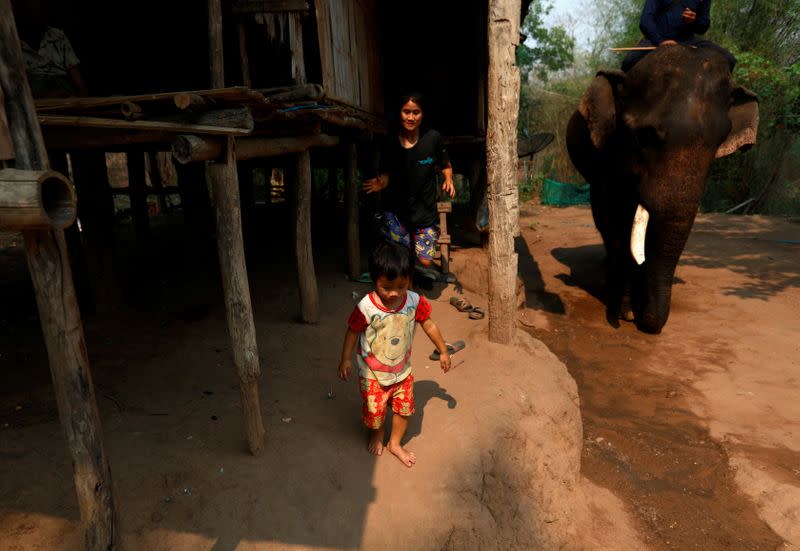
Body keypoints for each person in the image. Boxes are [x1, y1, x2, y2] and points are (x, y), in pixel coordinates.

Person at [337, 241, 452, 468]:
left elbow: (428, 324)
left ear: (409, 279)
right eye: (386, 287)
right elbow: (353, 332)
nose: (394, 293)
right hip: (373, 375)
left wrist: (444, 350)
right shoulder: (366, 307)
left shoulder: (413, 301)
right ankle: (378, 434)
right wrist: (346, 359)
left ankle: (395, 443)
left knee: (405, 410)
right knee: (376, 413)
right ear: (374, 280)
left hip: (402, 371)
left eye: (401, 286)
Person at [363, 93, 455, 272]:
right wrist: (381, 183)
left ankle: (413, 264)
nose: (411, 117)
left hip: (425, 213)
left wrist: (449, 179)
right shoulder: (390, 141)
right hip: (397, 212)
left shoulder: (432, 138)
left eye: (416, 112)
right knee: (400, 259)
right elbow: (387, 174)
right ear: (399, 113)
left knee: (426, 261)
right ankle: (407, 283)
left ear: (423, 114)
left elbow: (445, 164)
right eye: (406, 112)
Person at [621, 0, 736, 73]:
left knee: (729, 59)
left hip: (688, 41)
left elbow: (703, 25)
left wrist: (694, 21)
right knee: (628, 62)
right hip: (657, 40)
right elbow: (645, 21)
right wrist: (661, 41)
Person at [14, 0, 88, 98]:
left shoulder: (58, 37)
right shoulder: (14, 43)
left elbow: (79, 82)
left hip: (65, 97)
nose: (34, 13)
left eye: (38, 9)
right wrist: (44, 96)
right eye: (29, 9)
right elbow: (15, 90)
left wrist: (80, 101)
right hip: (35, 100)